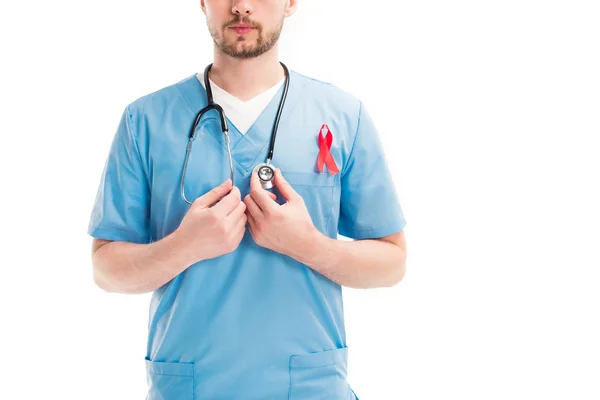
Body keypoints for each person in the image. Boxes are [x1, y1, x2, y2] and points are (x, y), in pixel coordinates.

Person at [88, 0, 408, 398]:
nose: (241, 6)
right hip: (193, 386)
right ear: (203, 2)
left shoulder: (343, 116)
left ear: (291, 3)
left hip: (308, 387)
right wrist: (184, 247)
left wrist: (309, 246)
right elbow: (106, 268)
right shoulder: (146, 120)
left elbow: (392, 263)